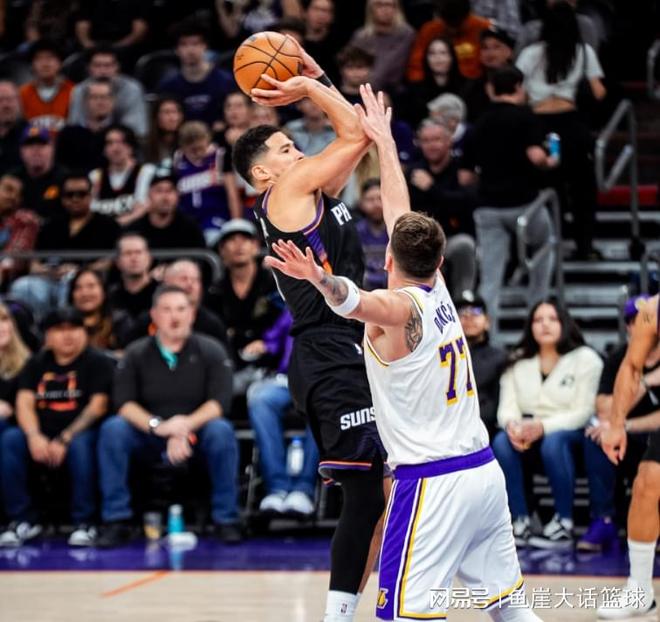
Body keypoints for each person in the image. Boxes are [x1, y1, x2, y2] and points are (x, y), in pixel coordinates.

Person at [266, 83, 538, 622]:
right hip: (483, 474)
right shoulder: (441, 292)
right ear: (439, 262)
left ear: (388, 258)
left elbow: (352, 300)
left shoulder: (397, 308)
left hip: (432, 484)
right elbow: (400, 211)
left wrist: (318, 277)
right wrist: (385, 143)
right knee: (509, 610)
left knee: (400, 616)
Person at [233, 46, 386, 621]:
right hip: (328, 352)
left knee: (384, 494)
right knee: (367, 497)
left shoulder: (312, 193)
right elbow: (354, 131)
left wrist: (313, 75)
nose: (298, 150)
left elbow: (361, 138)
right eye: (285, 148)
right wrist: (307, 80)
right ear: (263, 174)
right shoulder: (288, 192)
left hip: (349, 347)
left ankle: (366, 606)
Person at [96, 285, 241, 547]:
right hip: (149, 434)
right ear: (154, 315)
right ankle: (116, 519)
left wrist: (183, 427)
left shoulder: (212, 349)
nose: (174, 317)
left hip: (197, 432)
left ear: (192, 314)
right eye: (167, 310)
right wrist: (160, 427)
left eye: (181, 309)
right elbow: (124, 404)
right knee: (113, 429)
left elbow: (219, 403)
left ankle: (226, 519)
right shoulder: (136, 352)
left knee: (221, 430)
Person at [493, 298, 603, 548]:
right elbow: (507, 408)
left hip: (571, 436)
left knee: (554, 442)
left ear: (565, 323)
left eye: (552, 319)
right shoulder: (517, 360)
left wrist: (542, 427)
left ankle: (564, 522)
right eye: (538, 320)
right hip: (527, 435)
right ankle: (519, 520)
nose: (545, 325)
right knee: (501, 441)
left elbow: (584, 411)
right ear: (530, 326)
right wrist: (513, 427)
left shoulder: (586, 359)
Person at [0, 308, 114, 548]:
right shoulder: (36, 363)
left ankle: (84, 521)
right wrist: (33, 436)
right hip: (41, 432)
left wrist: (65, 438)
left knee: (81, 446)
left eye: (74, 328)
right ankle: (22, 519)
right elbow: (24, 402)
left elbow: (98, 406)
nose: (68, 335)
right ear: (48, 336)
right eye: (60, 330)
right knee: (10, 439)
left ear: (84, 333)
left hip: (81, 432)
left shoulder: (97, 362)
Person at [459, 66, 556, 339]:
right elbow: (537, 157)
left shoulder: (478, 123)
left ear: (491, 89)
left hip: (488, 208)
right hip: (525, 205)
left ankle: (488, 339)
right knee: (545, 247)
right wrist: (551, 161)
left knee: (490, 279)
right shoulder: (525, 118)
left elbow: (465, 177)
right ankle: (537, 318)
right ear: (519, 87)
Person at [516, 1, 606, 260]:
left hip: (539, 125)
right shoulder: (584, 51)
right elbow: (599, 92)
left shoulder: (530, 54)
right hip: (573, 126)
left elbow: (518, 94)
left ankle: (546, 247)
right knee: (582, 189)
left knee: (544, 187)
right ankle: (584, 246)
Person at [579, 295, 659, 553]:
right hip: (634, 436)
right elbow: (605, 408)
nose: (640, 325)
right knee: (597, 437)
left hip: (648, 433)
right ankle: (603, 520)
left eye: (643, 320)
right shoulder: (620, 356)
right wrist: (645, 383)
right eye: (634, 320)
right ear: (628, 326)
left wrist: (623, 423)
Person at [597, 294, 660, 619]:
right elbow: (631, 366)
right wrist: (616, 425)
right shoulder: (652, 310)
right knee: (647, 482)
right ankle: (640, 591)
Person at [10, 173, 120, 321]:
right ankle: (36, 327)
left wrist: (79, 272)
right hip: (50, 279)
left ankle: (65, 325)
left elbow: (112, 261)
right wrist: (51, 271)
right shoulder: (51, 225)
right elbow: (34, 264)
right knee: (22, 286)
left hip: (87, 282)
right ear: (62, 198)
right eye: (69, 194)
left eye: (81, 194)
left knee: (68, 287)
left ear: (91, 195)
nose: (75, 199)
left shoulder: (108, 225)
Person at [246, 308, 320, 517]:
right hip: (286, 379)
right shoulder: (293, 307)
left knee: (323, 403)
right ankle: (277, 487)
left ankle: (304, 489)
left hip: (322, 381)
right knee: (260, 400)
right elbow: (274, 339)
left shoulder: (341, 303)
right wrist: (264, 346)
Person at [209, 219, 283, 393]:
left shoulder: (275, 285)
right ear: (222, 249)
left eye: (245, 239)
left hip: (273, 364)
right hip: (230, 363)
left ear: (256, 246)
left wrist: (268, 343)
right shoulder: (215, 291)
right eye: (231, 240)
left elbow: (287, 323)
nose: (239, 245)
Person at [406, 118, 476, 298]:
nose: (431, 145)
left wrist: (431, 189)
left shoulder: (462, 170)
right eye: (426, 140)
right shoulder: (413, 173)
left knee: (464, 245)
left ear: (449, 141)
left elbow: (464, 205)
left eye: (436, 139)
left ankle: (464, 301)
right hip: (422, 242)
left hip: (453, 237)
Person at [123, 259, 227, 348]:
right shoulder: (147, 321)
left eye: (195, 280)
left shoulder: (212, 324)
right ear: (167, 283)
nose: (190, 284)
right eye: (184, 279)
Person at [157, 19, 234, 127]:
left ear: (205, 46)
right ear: (176, 50)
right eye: (184, 44)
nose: (190, 50)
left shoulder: (225, 81)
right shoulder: (168, 86)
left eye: (195, 43)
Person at [173, 121, 241, 242]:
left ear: (207, 140)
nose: (197, 153)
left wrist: (236, 225)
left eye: (200, 148)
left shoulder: (220, 156)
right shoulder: (178, 159)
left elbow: (232, 194)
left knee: (212, 238)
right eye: (192, 150)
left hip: (215, 216)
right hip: (187, 218)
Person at [67, 44, 148, 139]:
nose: (103, 71)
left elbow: (136, 129)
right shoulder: (79, 90)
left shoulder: (132, 89)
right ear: (89, 68)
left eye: (108, 65)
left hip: (122, 142)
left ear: (117, 66)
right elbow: (75, 126)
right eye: (97, 65)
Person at [456, 294, 507, 440]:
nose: (469, 318)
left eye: (476, 312)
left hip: (486, 430)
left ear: (487, 322)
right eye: (462, 313)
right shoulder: (441, 357)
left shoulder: (501, 358)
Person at [406, 0, 492, 82]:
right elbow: (416, 68)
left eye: (458, 23)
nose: (453, 30)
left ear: (468, 15)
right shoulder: (429, 30)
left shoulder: (484, 28)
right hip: (436, 85)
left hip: (475, 84)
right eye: (449, 23)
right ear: (439, 16)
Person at [89, 124, 155, 226]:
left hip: (135, 230)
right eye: (110, 143)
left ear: (131, 147)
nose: (115, 148)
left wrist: (114, 225)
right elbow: (90, 210)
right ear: (104, 150)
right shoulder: (95, 176)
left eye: (121, 142)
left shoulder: (146, 171)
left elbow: (143, 208)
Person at [126, 170, 206, 252]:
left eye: (170, 190)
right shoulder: (135, 230)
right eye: (159, 191)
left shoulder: (190, 229)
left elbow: (202, 257)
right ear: (149, 194)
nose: (165, 197)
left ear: (177, 195)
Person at [348, 0, 415, 93]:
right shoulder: (361, 37)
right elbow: (352, 68)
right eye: (379, 5)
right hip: (363, 90)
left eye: (389, 5)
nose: (385, 9)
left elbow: (394, 67)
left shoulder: (406, 34)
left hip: (396, 91)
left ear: (397, 8)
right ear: (371, 9)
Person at [0, 301, 31, 493]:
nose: (1, 327)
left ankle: (19, 509)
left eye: (4, 320)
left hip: (19, 428)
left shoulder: (28, 363)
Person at [56, 77, 115, 172]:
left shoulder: (120, 135)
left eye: (104, 97)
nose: (100, 102)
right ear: (86, 102)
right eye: (94, 97)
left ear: (113, 101)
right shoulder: (68, 135)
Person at [461, 26, 515, 123]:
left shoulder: (519, 83)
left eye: (496, 47)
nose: (490, 53)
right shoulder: (471, 87)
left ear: (509, 52)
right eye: (485, 48)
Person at [19, 39, 73, 135]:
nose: (45, 64)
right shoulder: (21, 94)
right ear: (32, 65)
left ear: (60, 63)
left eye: (50, 58)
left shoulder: (74, 92)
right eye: (39, 59)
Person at [406, 37, 465, 126]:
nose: (437, 57)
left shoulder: (467, 87)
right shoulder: (415, 90)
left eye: (443, 53)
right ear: (426, 58)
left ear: (452, 57)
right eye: (432, 53)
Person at [13, 124, 65, 221]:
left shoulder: (65, 179)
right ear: (21, 151)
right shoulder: (12, 179)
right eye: (29, 144)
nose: (35, 150)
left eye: (42, 144)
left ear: (52, 148)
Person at [0, 174, 40, 287]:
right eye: (8, 190)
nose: (12, 196)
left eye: (18, 194)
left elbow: (16, 254)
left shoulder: (25, 220)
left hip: (10, 277)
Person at [107, 233, 157, 321]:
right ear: (117, 261)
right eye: (128, 253)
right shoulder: (109, 296)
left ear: (149, 258)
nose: (134, 258)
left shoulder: (162, 293)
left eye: (138, 252)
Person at [68, 268, 119, 351]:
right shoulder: (63, 325)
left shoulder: (119, 322)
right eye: (78, 287)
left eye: (91, 286)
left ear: (104, 291)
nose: (84, 293)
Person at [355, 178, 388, 291]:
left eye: (380, 198)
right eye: (370, 199)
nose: (376, 204)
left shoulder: (396, 231)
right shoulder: (356, 232)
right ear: (361, 203)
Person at [145, 97, 183, 164]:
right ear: (156, 116)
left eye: (175, 112)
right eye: (166, 112)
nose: (172, 118)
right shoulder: (146, 145)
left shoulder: (187, 142)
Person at [0, 81, 27, 173]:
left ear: (19, 102)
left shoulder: (31, 134)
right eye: (0, 100)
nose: (6, 105)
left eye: (10, 99)